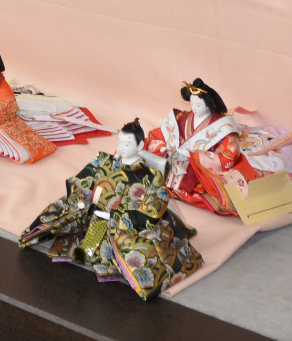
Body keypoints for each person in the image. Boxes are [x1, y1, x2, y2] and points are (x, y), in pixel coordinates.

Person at [19, 121, 203, 302]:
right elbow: (81, 181)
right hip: (92, 216)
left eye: (127, 143)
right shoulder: (103, 160)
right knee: (62, 213)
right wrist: (82, 200)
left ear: (140, 145)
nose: (121, 147)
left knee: (144, 253)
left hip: (124, 225)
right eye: (120, 142)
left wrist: (115, 216)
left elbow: (153, 208)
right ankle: (85, 245)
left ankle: (107, 255)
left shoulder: (152, 177)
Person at [142, 79, 264, 217]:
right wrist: (163, 147)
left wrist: (195, 157)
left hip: (198, 173)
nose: (194, 107)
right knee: (150, 162)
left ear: (208, 104)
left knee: (220, 199)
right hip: (174, 165)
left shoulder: (223, 126)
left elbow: (230, 154)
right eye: (192, 103)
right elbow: (162, 134)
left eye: (198, 104)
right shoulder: (183, 117)